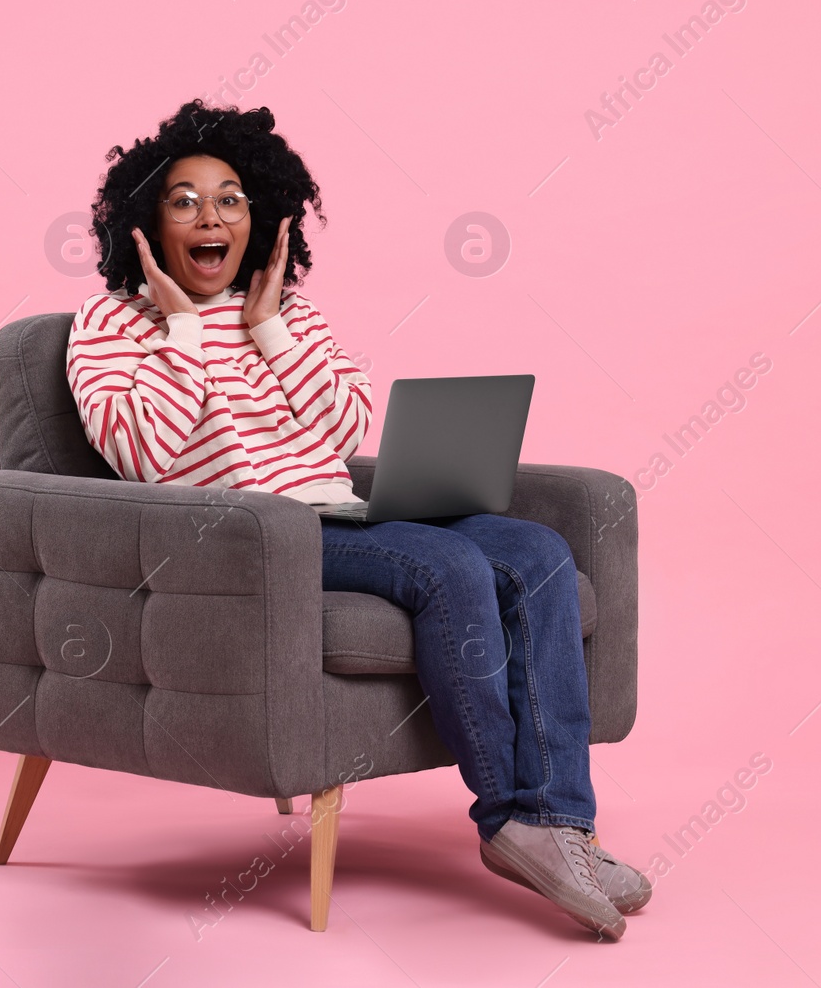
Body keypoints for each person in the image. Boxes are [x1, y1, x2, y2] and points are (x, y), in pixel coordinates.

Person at [65, 99, 651, 940]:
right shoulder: (110, 324)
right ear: (146, 221)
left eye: (230, 198)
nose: (210, 216)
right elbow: (145, 454)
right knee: (448, 569)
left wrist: (267, 328)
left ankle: (565, 824)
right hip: (257, 539)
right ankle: (509, 820)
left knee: (539, 550)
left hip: (343, 511)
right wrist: (186, 330)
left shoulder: (289, 316)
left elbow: (341, 431)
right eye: (185, 199)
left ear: (258, 215)